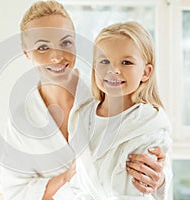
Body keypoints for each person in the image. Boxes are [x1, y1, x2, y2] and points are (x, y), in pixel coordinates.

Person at [0, 1, 169, 199]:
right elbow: (14, 192)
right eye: (43, 47)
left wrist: (159, 178)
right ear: (26, 52)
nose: (56, 56)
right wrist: (67, 177)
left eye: (65, 43)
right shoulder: (22, 119)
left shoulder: (111, 95)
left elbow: (156, 161)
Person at [73, 21, 172, 199]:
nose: (114, 70)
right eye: (104, 61)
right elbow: (77, 181)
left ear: (146, 72)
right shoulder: (82, 115)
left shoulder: (148, 124)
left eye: (126, 62)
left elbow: (139, 189)